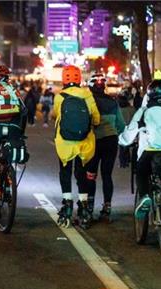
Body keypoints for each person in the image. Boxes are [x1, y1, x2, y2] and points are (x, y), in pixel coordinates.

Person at [119, 80, 161, 220]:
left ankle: (144, 197)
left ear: (148, 94)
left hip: (152, 151)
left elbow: (131, 131)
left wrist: (123, 141)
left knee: (141, 171)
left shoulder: (145, 110)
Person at [51, 65, 100, 229]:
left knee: (65, 172)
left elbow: (54, 115)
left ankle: (67, 204)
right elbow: (97, 119)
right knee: (82, 174)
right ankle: (84, 206)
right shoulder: (88, 95)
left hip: (64, 144)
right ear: (79, 79)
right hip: (84, 144)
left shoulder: (60, 97)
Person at [85, 74, 126, 221]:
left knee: (90, 175)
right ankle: (107, 207)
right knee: (107, 175)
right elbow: (121, 125)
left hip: (93, 142)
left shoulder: (87, 102)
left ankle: (89, 207)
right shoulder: (113, 102)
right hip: (111, 141)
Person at [117, 92, 136, 168]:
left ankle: (123, 162)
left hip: (122, 129)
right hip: (131, 129)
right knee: (128, 145)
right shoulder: (132, 108)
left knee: (122, 146)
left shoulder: (118, 110)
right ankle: (128, 159)